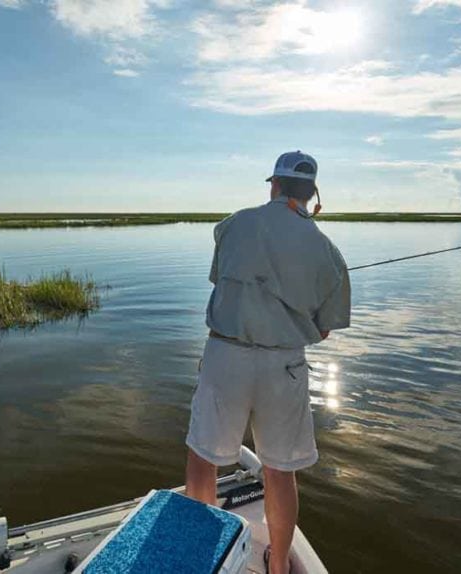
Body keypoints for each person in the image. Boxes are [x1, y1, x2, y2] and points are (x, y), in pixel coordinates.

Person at [184, 151, 351, 574]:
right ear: (312, 194)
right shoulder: (326, 250)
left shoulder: (233, 224)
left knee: (204, 459)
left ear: (273, 185)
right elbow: (326, 328)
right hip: (284, 368)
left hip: (226, 357)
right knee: (279, 471)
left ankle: (204, 556)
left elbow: (220, 281)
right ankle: (277, 564)